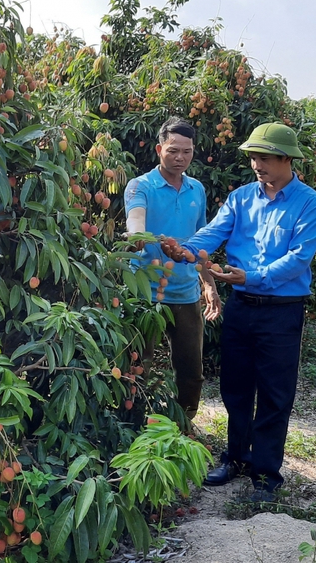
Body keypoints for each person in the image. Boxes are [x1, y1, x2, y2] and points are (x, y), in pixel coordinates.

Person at [161, 122, 316, 500]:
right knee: (235, 388)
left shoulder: (310, 204)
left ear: (287, 159)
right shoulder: (240, 198)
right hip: (241, 307)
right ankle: (235, 456)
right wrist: (185, 250)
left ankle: (265, 472)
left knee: (274, 393)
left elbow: (298, 260)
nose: (256, 164)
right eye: (253, 157)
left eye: (265, 157)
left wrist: (249, 276)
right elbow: (213, 233)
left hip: (281, 312)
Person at [124, 117, 221, 420]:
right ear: (158, 149)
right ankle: (134, 423)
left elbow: (201, 240)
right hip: (146, 293)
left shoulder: (197, 189)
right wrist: (137, 237)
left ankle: (184, 424)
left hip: (184, 292)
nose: (180, 158)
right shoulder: (140, 185)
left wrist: (208, 283)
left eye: (187, 152)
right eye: (173, 151)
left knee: (191, 372)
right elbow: (136, 218)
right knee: (138, 366)